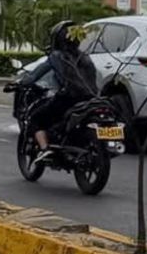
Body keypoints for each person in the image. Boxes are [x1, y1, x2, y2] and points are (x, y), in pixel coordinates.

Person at [27, 21, 100, 165]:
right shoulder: (84, 57)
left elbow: (34, 75)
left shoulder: (56, 56)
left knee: (35, 119)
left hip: (69, 98)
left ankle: (44, 149)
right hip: (91, 98)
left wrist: (20, 83)